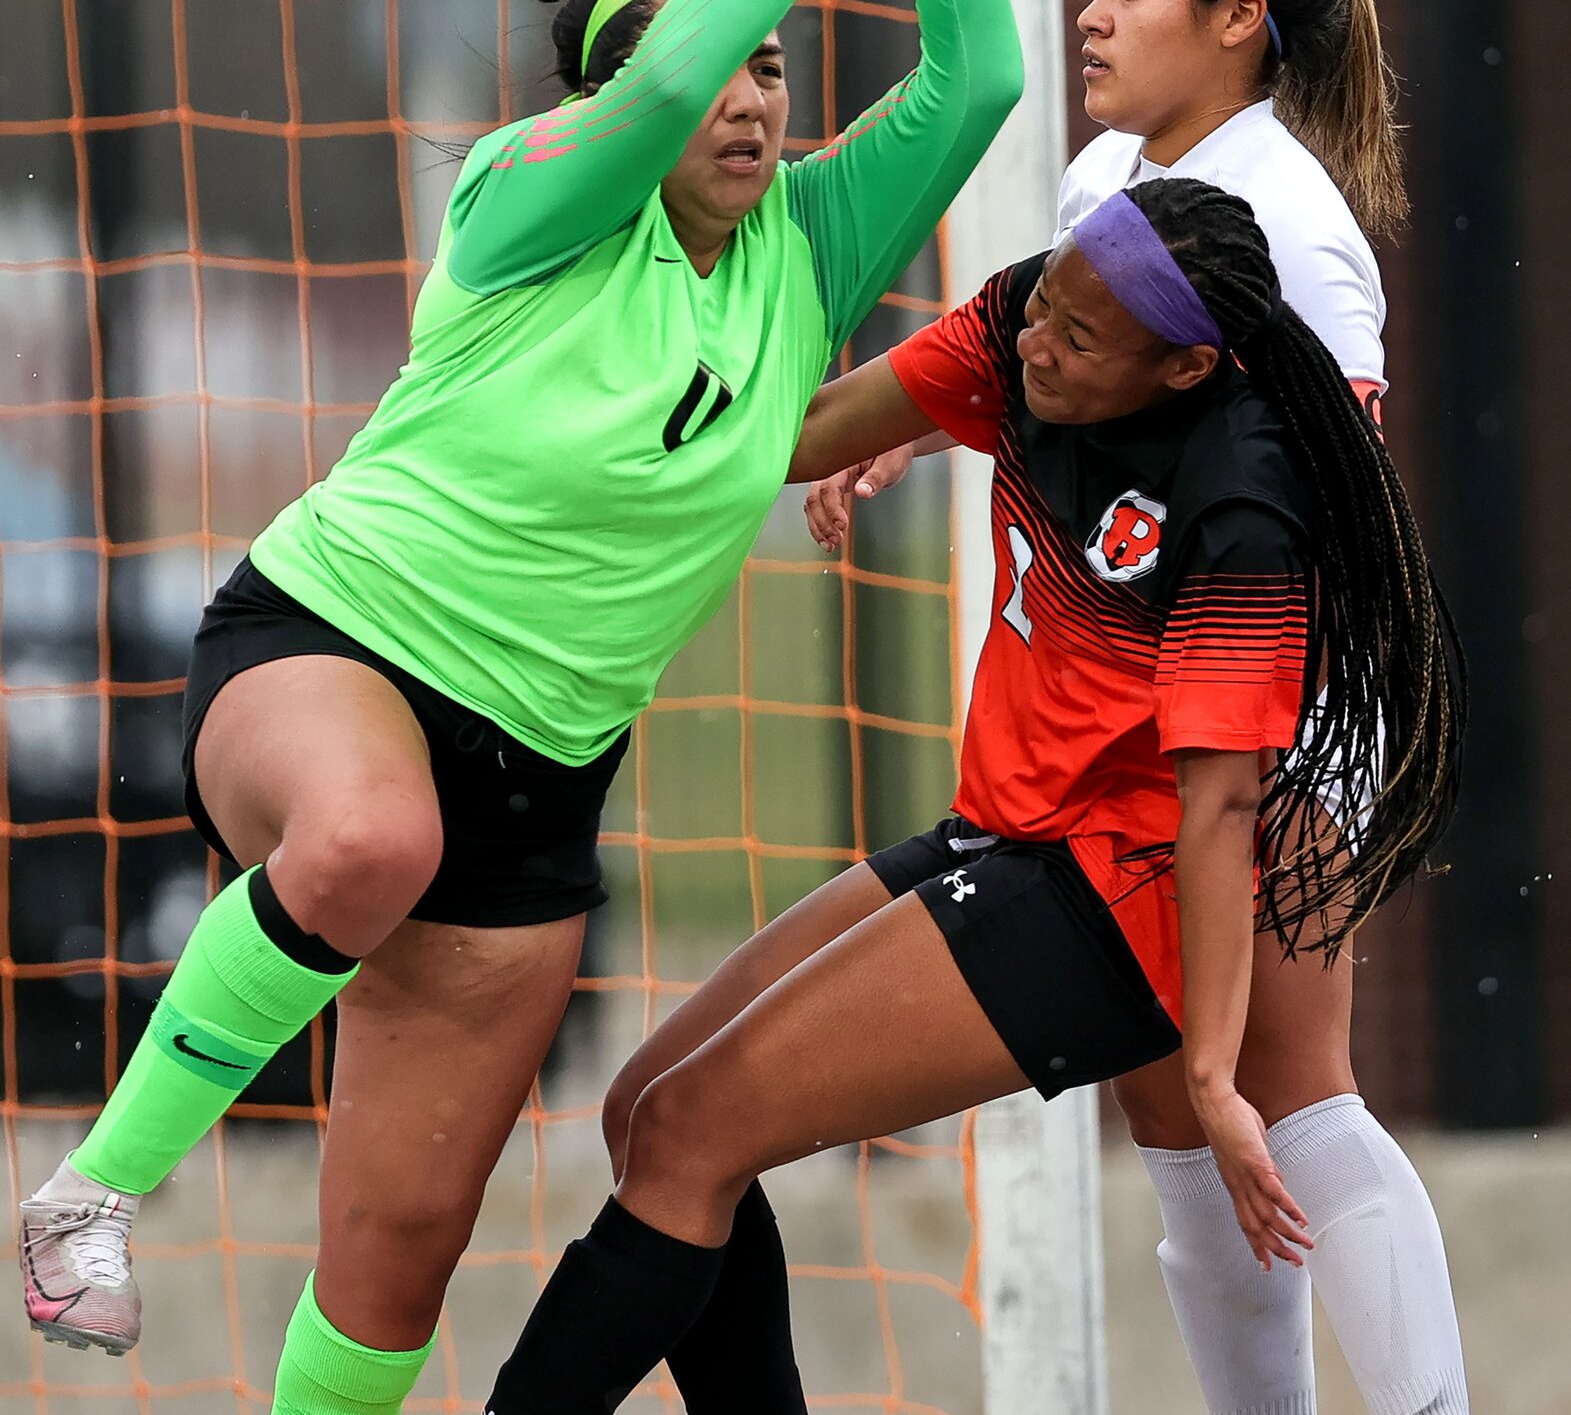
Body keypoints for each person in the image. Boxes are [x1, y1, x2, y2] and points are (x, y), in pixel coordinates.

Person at [16, 0, 1023, 1415]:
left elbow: (978, 87)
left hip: (542, 779)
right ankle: (91, 1192)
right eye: (711, 67)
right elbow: (644, 90)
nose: (745, 96)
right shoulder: (526, 197)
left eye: (771, 66)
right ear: (602, 99)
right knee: (359, 838)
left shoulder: (797, 244)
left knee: (396, 1256)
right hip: (331, 648)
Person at [481, 173, 1466, 1415]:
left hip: (1115, 899)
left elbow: (1219, 812)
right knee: (647, 1113)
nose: (1035, 345)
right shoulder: (1024, 325)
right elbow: (786, 440)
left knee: (690, 1134)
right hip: (1003, 836)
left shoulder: (1244, 503)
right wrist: (616, 352)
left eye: (1076, 338)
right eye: (1041, 309)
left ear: (1182, 369)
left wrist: (1214, 1075)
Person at [805, 0, 1472, 1414]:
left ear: (1237, 22)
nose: (1091, 19)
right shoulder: (1106, 187)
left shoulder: (1294, 234)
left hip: (1277, 713)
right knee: (1172, 1106)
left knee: (1287, 1091)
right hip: (1137, 706)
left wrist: (1270, 764)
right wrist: (935, 422)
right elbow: (1092, 414)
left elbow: (1306, 512)